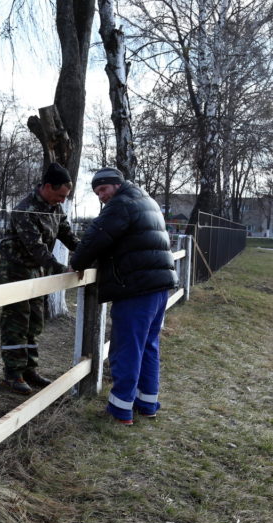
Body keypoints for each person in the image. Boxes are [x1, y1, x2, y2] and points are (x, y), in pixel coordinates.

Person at [70, 167, 177, 425]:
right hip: (158, 286)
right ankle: (147, 404)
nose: (101, 196)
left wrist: (76, 262)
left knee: (127, 349)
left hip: (136, 288)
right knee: (148, 346)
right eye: (97, 193)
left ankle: (120, 410)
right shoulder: (145, 199)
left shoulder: (121, 204)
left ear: (116, 185)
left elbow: (97, 236)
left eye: (103, 189)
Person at [0, 163, 80, 394]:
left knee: (35, 320)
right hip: (15, 270)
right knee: (17, 321)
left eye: (65, 197)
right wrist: (61, 270)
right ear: (47, 187)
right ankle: (12, 374)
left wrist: (86, 254)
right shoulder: (24, 210)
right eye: (60, 195)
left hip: (37, 271)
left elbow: (68, 235)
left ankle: (29, 370)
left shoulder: (55, 208)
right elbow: (37, 248)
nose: (62, 200)